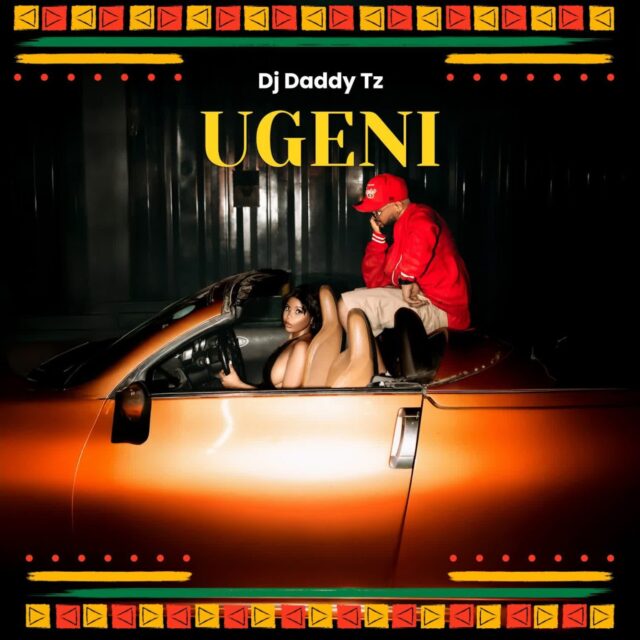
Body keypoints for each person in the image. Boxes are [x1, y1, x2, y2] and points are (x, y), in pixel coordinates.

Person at [339, 173, 470, 343]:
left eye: (378, 210)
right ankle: (374, 360)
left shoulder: (420, 215)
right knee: (354, 299)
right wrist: (378, 238)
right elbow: (375, 282)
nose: (373, 216)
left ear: (397, 205)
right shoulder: (401, 230)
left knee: (348, 307)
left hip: (443, 309)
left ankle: (369, 360)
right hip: (423, 298)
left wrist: (407, 279)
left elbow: (424, 232)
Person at [218, 286, 321, 389]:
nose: (289, 315)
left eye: (298, 311)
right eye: (287, 308)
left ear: (312, 319)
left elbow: (288, 397)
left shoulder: (301, 347)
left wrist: (237, 385)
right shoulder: (294, 339)